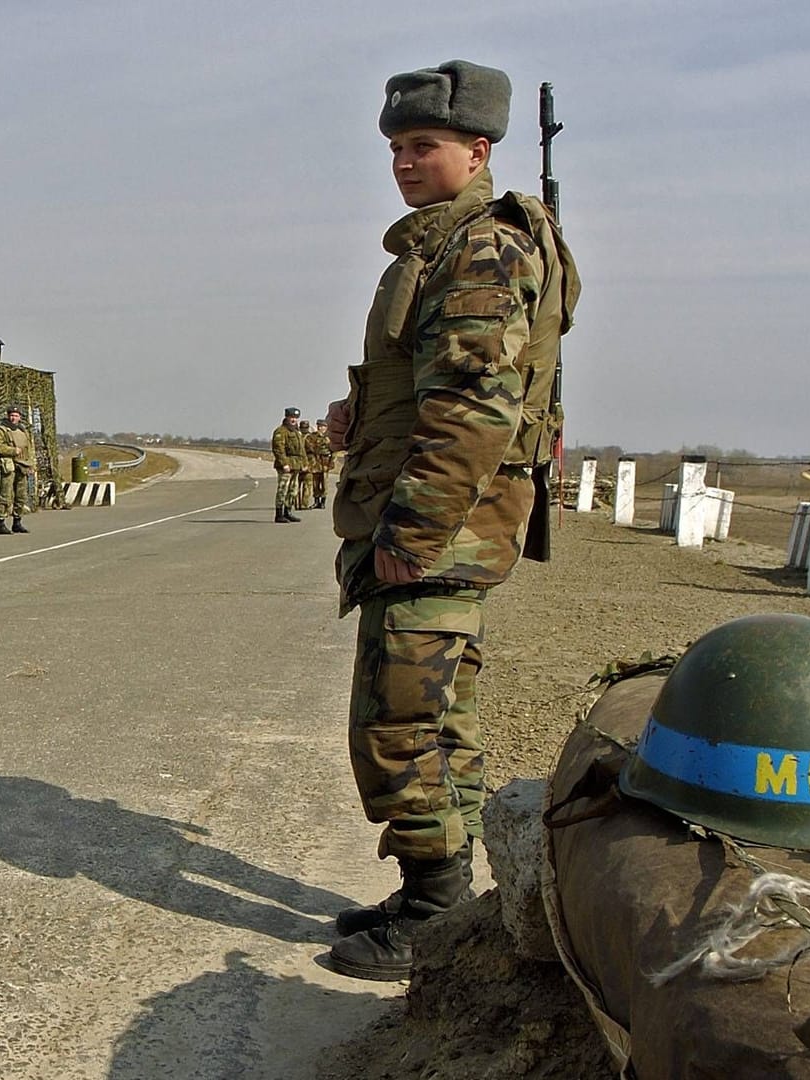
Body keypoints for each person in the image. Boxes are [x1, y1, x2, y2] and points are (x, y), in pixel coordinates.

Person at [321, 59, 580, 981]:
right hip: (442, 525)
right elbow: (429, 381)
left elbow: (475, 408)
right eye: (395, 147)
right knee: (441, 716)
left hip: (439, 532)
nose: (403, 162)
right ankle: (441, 890)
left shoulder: (481, 249)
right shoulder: (448, 246)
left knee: (399, 722)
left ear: (477, 151)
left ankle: (433, 913)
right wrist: (359, 413)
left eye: (422, 146)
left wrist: (412, 535)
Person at [0, 404, 36, 534]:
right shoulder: (2, 429)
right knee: (5, 494)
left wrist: (31, 464)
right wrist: (12, 451)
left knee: (21, 495)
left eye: (16, 416)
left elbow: (29, 448)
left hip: (22, 465)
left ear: (20, 417)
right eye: (11, 415)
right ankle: (0, 523)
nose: (13, 418)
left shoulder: (23, 430)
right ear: (8, 416)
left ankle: (17, 522)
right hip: (9, 465)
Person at [270, 408, 307, 523]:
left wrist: (304, 463)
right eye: (291, 417)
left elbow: (302, 450)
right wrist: (284, 463)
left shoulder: (297, 432)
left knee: (293, 490)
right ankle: (279, 514)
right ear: (286, 417)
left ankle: (288, 511)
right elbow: (278, 449)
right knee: (283, 489)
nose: (293, 420)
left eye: (295, 418)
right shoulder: (281, 431)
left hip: (296, 465)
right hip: (286, 465)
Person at [307, 419, 334, 509]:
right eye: (319, 426)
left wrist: (331, 462)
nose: (320, 428)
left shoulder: (329, 438)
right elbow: (308, 448)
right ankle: (316, 501)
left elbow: (334, 451)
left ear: (326, 427)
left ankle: (323, 502)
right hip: (315, 463)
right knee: (315, 484)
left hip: (325, 463)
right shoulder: (312, 437)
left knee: (325, 484)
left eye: (323, 426)